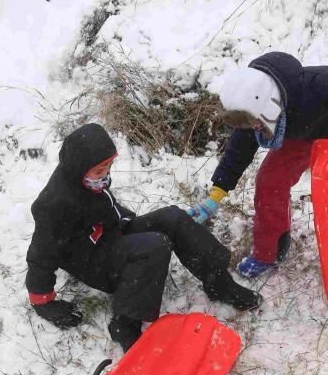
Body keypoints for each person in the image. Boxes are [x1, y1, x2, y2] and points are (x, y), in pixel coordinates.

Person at [26, 123, 261, 351]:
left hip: (110, 235)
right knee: (154, 246)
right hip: (92, 262)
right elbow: (41, 253)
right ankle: (125, 322)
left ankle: (219, 283)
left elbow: (106, 206)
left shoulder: (90, 178)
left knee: (173, 218)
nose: (106, 174)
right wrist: (43, 301)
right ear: (79, 169)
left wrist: (125, 220)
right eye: (100, 170)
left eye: (109, 166)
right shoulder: (54, 205)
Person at [189, 51, 328, 278]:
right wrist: (215, 196)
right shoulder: (253, 114)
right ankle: (270, 252)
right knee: (269, 181)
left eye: (256, 124)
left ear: (270, 106)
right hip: (303, 134)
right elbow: (237, 153)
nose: (253, 128)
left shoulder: (316, 85)